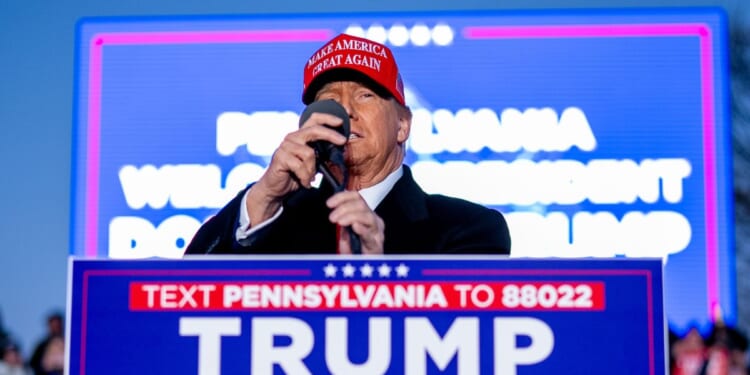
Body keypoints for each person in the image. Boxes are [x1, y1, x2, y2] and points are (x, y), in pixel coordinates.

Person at [185, 33, 510, 255]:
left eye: (365, 96)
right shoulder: (273, 221)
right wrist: (265, 196)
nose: (347, 112)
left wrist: (377, 272)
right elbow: (187, 296)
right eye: (330, 101)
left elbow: (462, 339)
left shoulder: (469, 227)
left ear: (403, 124)